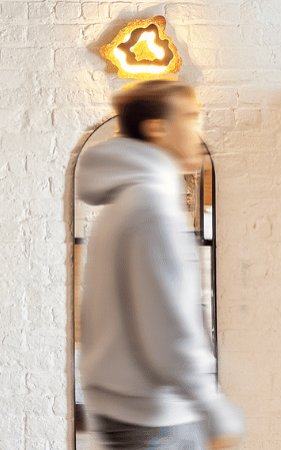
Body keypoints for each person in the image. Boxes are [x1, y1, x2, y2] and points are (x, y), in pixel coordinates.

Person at [76, 80, 243, 449]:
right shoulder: (152, 209)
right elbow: (167, 326)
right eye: (190, 116)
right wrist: (212, 409)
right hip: (155, 419)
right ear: (157, 128)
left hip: (132, 411)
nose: (199, 130)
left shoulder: (124, 203)